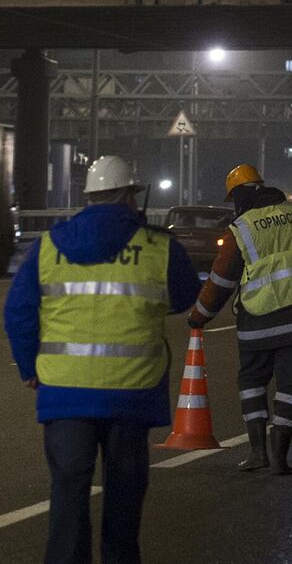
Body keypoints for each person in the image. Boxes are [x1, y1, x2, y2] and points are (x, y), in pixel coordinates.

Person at [4, 156, 200, 564]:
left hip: (64, 396)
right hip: (130, 395)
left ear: (89, 197)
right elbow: (184, 297)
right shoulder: (158, 248)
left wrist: (29, 368)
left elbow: (18, 311)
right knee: (124, 501)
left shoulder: (49, 247)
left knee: (68, 494)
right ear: (129, 195)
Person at [189, 183, 292, 474]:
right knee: (290, 387)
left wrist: (199, 316)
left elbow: (221, 282)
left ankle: (258, 453)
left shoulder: (243, 227)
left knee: (251, 383)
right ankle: (280, 459)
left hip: (257, 321)